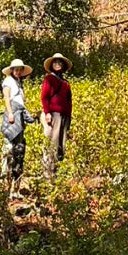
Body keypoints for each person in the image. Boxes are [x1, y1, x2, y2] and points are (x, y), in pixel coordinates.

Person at [1, 58, 34, 193]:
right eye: (16, 69)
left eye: (20, 70)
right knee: (9, 146)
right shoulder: (8, 81)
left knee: (19, 148)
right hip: (12, 114)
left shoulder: (19, 83)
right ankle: (5, 180)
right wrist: (10, 113)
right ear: (12, 70)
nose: (19, 72)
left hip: (19, 114)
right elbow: (7, 98)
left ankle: (16, 184)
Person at [40, 52, 73, 180]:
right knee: (52, 143)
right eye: (55, 63)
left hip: (64, 116)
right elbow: (44, 97)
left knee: (62, 144)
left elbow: (69, 101)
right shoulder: (50, 79)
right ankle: (48, 173)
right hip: (54, 114)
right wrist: (47, 112)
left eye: (59, 63)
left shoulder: (65, 83)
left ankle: (58, 173)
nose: (57, 64)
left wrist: (69, 117)